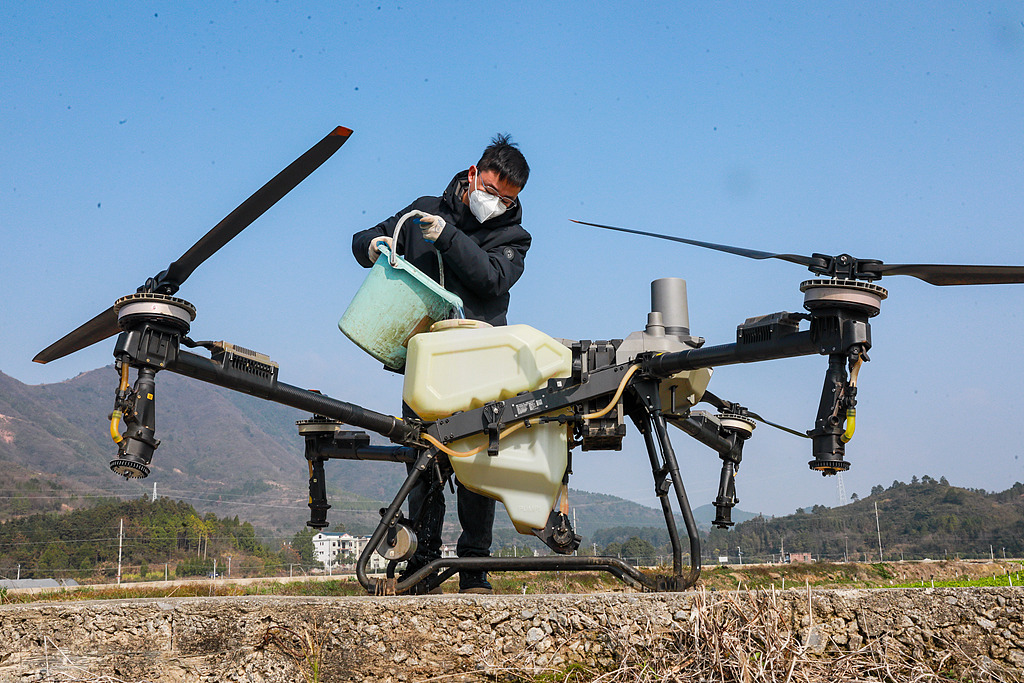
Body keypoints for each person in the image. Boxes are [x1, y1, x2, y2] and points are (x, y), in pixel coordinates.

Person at [351, 134, 531, 594]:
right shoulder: (424, 209)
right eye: (491, 191)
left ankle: (474, 570)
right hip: (426, 363)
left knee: (476, 469)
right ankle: (421, 565)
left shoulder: (513, 236)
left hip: (479, 364)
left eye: (507, 199)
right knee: (423, 460)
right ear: (474, 175)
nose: (496, 203)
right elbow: (363, 237)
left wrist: (449, 239)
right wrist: (372, 247)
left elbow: (492, 280)